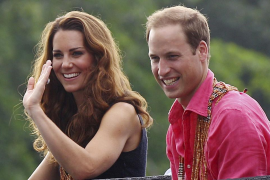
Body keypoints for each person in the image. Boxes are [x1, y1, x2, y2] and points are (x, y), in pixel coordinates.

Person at [23, 11, 153, 180]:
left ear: (99, 58)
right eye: (58, 55)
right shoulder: (74, 123)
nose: (66, 64)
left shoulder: (122, 112)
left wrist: (35, 110)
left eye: (76, 53)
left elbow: (86, 168)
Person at [145, 5, 270, 180]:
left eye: (172, 56)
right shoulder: (178, 122)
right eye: (155, 58)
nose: (162, 70)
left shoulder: (233, 116)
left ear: (202, 51)